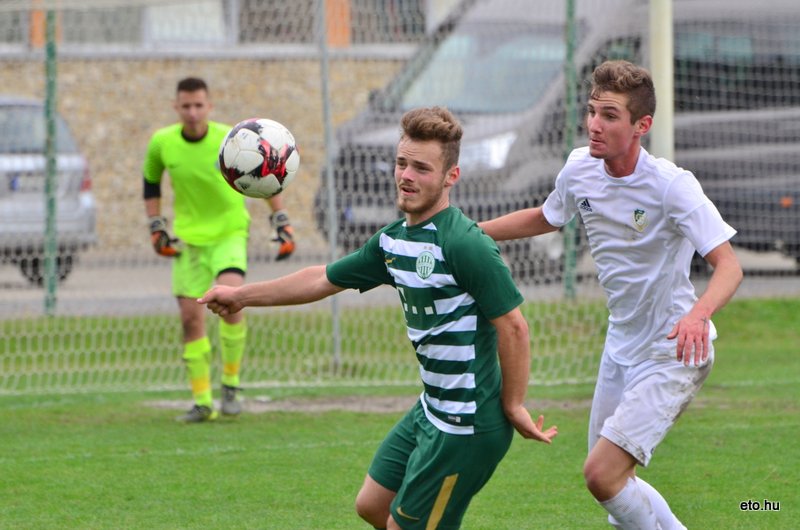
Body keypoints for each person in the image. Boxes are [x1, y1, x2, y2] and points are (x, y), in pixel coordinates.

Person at [199, 106, 558, 528]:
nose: (406, 175)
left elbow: (513, 325)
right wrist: (242, 296)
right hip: (432, 409)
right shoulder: (393, 240)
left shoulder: (466, 244)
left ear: (450, 177)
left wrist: (513, 404)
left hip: (467, 426)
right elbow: (320, 279)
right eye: (402, 163)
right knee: (372, 506)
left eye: (422, 168)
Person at [480, 60, 743, 529]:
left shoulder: (672, 186)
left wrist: (699, 314)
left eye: (610, 116)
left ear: (642, 126)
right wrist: (472, 232)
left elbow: (729, 266)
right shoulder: (580, 169)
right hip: (620, 349)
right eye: (592, 112)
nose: (594, 125)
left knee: (602, 476)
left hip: (673, 351)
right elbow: (547, 216)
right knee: (613, 485)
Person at [143, 77, 296, 423]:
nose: (193, 112)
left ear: (209, 107)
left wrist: (281, 219)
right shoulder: (161, 143)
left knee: (230, 301)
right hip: (188, 239)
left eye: (199, 105)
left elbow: (264, 172)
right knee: (189, 318)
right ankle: (202, 402)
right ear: (176, 107)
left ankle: (230, 382)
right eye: (186, 106)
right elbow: (150, 183)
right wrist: (156, 226)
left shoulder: (233, 139)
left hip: (229, 232)